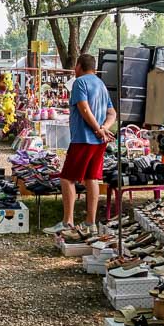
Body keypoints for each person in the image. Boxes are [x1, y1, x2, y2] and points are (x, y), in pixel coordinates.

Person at [43, 54, 116, 235]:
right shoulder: (101, 84)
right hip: (99, 142)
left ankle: (68, 222)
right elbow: (112, 113)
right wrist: (104, 128)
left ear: (78, 66)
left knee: (67, 178)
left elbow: (84, 108)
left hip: (83, 138)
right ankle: (90, 222)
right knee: (92, 179)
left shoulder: (79, 83)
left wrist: (97, 129)